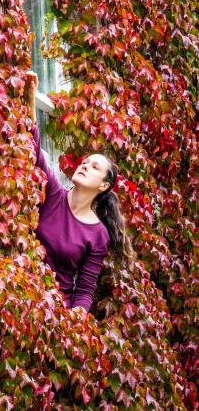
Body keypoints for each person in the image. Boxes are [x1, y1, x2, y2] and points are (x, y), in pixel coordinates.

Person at [24, 71, 132, 312]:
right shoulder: (53, 193)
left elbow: (84, 290)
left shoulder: (98, 235)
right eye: (85, 162)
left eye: (94, 167)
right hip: (23, 295)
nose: (85, 166)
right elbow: (34, 150)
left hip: (56, 312)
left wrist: (75, 323)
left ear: (104, 186)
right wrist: (30, 97)